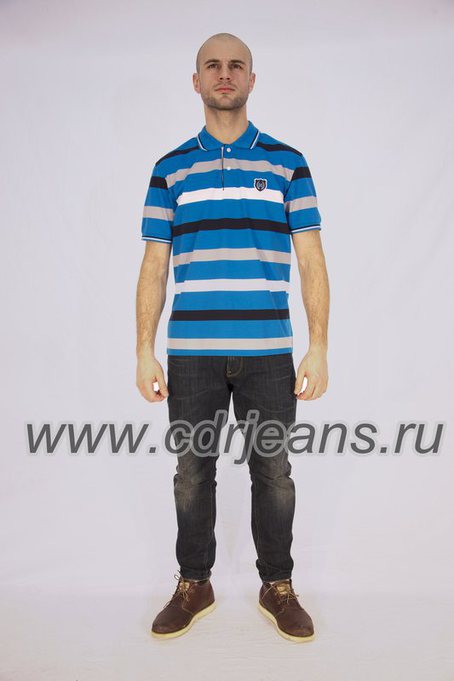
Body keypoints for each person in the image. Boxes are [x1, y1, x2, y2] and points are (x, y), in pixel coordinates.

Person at [136, 32, 330, 642]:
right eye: (213, 66)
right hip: (191, 355)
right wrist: (143, 350)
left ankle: (278, 585)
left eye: (236, 66)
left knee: (274, 472)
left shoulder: (287, 163)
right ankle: (195, 582)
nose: (225, 74)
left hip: (268, 353)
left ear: (252, 79)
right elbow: (154, 265)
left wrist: (319, 346)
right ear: (196, 81)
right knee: (191, 473)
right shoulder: (169, 169)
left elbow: (311, 259)